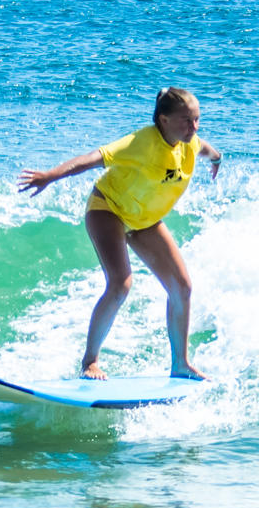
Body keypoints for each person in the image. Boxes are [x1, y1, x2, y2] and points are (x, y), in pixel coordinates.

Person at [16, 88, 223, 380]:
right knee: (121, 284)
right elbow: (92, 158)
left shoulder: (189, 143)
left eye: (197, 120)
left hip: (144, 219)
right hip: (108, 208)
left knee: (182, 287)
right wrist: (51, 176)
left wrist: (216, 159)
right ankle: (90, 362)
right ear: (163, 120)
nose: (194, 127)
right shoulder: (140, 143)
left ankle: (180, 364)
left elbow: (205, 149)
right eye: (186, 121)